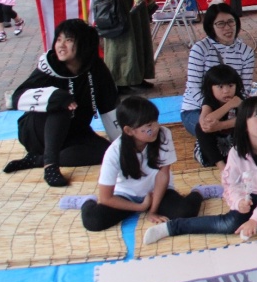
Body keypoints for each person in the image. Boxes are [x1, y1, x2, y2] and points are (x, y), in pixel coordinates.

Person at [143, 96, 257, 245]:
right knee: (226, 224)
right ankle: (173, 227)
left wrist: (255, 220)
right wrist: (238, 202)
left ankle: (252, 225)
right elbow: (230, 183)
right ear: (244, 124)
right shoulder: (236, 152)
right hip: (249, 197)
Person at [4, 19, 120, 187]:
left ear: (84, 44)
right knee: (61, 104)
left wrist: (124, 144)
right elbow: (16, 98)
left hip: (73, 133)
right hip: (37, 132)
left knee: (109, 152)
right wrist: (54, 96)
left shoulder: (96, 69)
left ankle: (37, 160)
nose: (61, 45)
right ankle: (50, 166)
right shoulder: (49, 66)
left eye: (68, 40)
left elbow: (109, 107)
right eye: (58, 39)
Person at [81, 96, 203, 231]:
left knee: (185, 212)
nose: (156, 127)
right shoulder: (114, 152)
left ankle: (198, 192)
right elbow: (106, 198)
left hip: (157, 192)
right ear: (129, 130)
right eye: (149, 126)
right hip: (125, 196)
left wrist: (152, 210)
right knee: (93, 221)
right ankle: (87, 201)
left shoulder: (163, 134)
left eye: (156, 121)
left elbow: (163, 175)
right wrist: (141, 207)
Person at [181, 3, 254, 137]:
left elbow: (245, 88)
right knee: (205, 129)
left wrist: (230, 111)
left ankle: (225, 129)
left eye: (231, 22)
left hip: (232, 108)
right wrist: (210, 109)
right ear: (211, 27)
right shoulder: (200, 49)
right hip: (197, 108)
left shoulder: (246, 52)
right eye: (220, 24)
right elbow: (194, 86)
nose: (227, 27)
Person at [196, 64, 245, 171]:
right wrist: (229, 105)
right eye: (220, 87)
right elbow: (206, 122)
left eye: (231, 86)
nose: (226, 91)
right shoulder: (209, 101)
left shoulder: (240, 99)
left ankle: (240, 161)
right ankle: (221, 166)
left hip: (235, 145)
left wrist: (220, 125)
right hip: (213, 149)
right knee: (199, 128)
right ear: (210, 88)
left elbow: (248, 120)